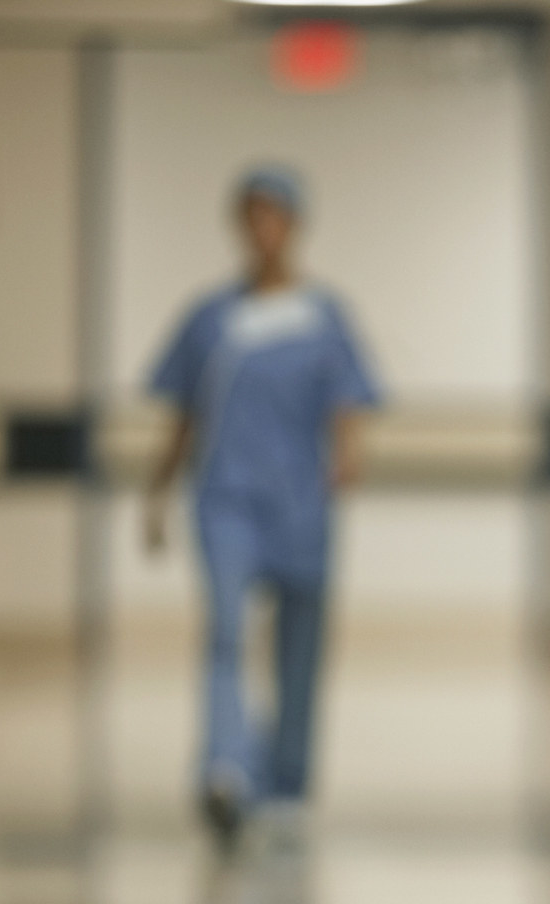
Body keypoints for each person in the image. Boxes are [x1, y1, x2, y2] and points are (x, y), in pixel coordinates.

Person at [145, 164, 380, 843]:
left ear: (296, 226)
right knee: (224, 631)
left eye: (274, 215)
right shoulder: (210, 319)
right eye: (250, 215)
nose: (262, 229)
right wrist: (157, 492)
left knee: (299, 647)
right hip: (225, 498)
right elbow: (186, 415)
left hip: (301, 503)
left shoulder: (323, 316)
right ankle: (226, 770)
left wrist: (349, 455)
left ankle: (286, 782)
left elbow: (348, 403)